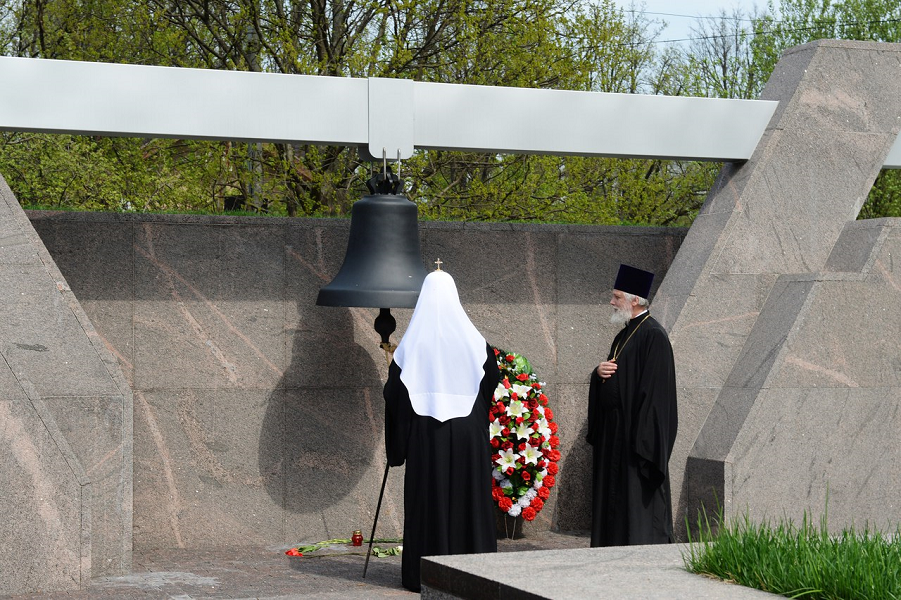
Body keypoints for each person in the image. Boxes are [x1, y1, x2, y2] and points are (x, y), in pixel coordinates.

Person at [383, 268, 500, 592]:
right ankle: (476, 571)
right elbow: (492, 377)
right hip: (468, 436)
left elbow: (394, 394)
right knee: (468, 500)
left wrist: (399, 445)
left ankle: (427, 574)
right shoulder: (475, 340)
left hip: (426, 436)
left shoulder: (411, 345)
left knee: (428, 500)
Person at [586, 264, 678, 547]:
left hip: (636, 442)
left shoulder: (654, 336)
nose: (612, 302)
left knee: (636, 506)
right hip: (615, 437)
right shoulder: (624, 334)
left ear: (634, 300)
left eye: (616, 297)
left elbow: (656, 397)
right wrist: (597, 374)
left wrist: (643, 442)